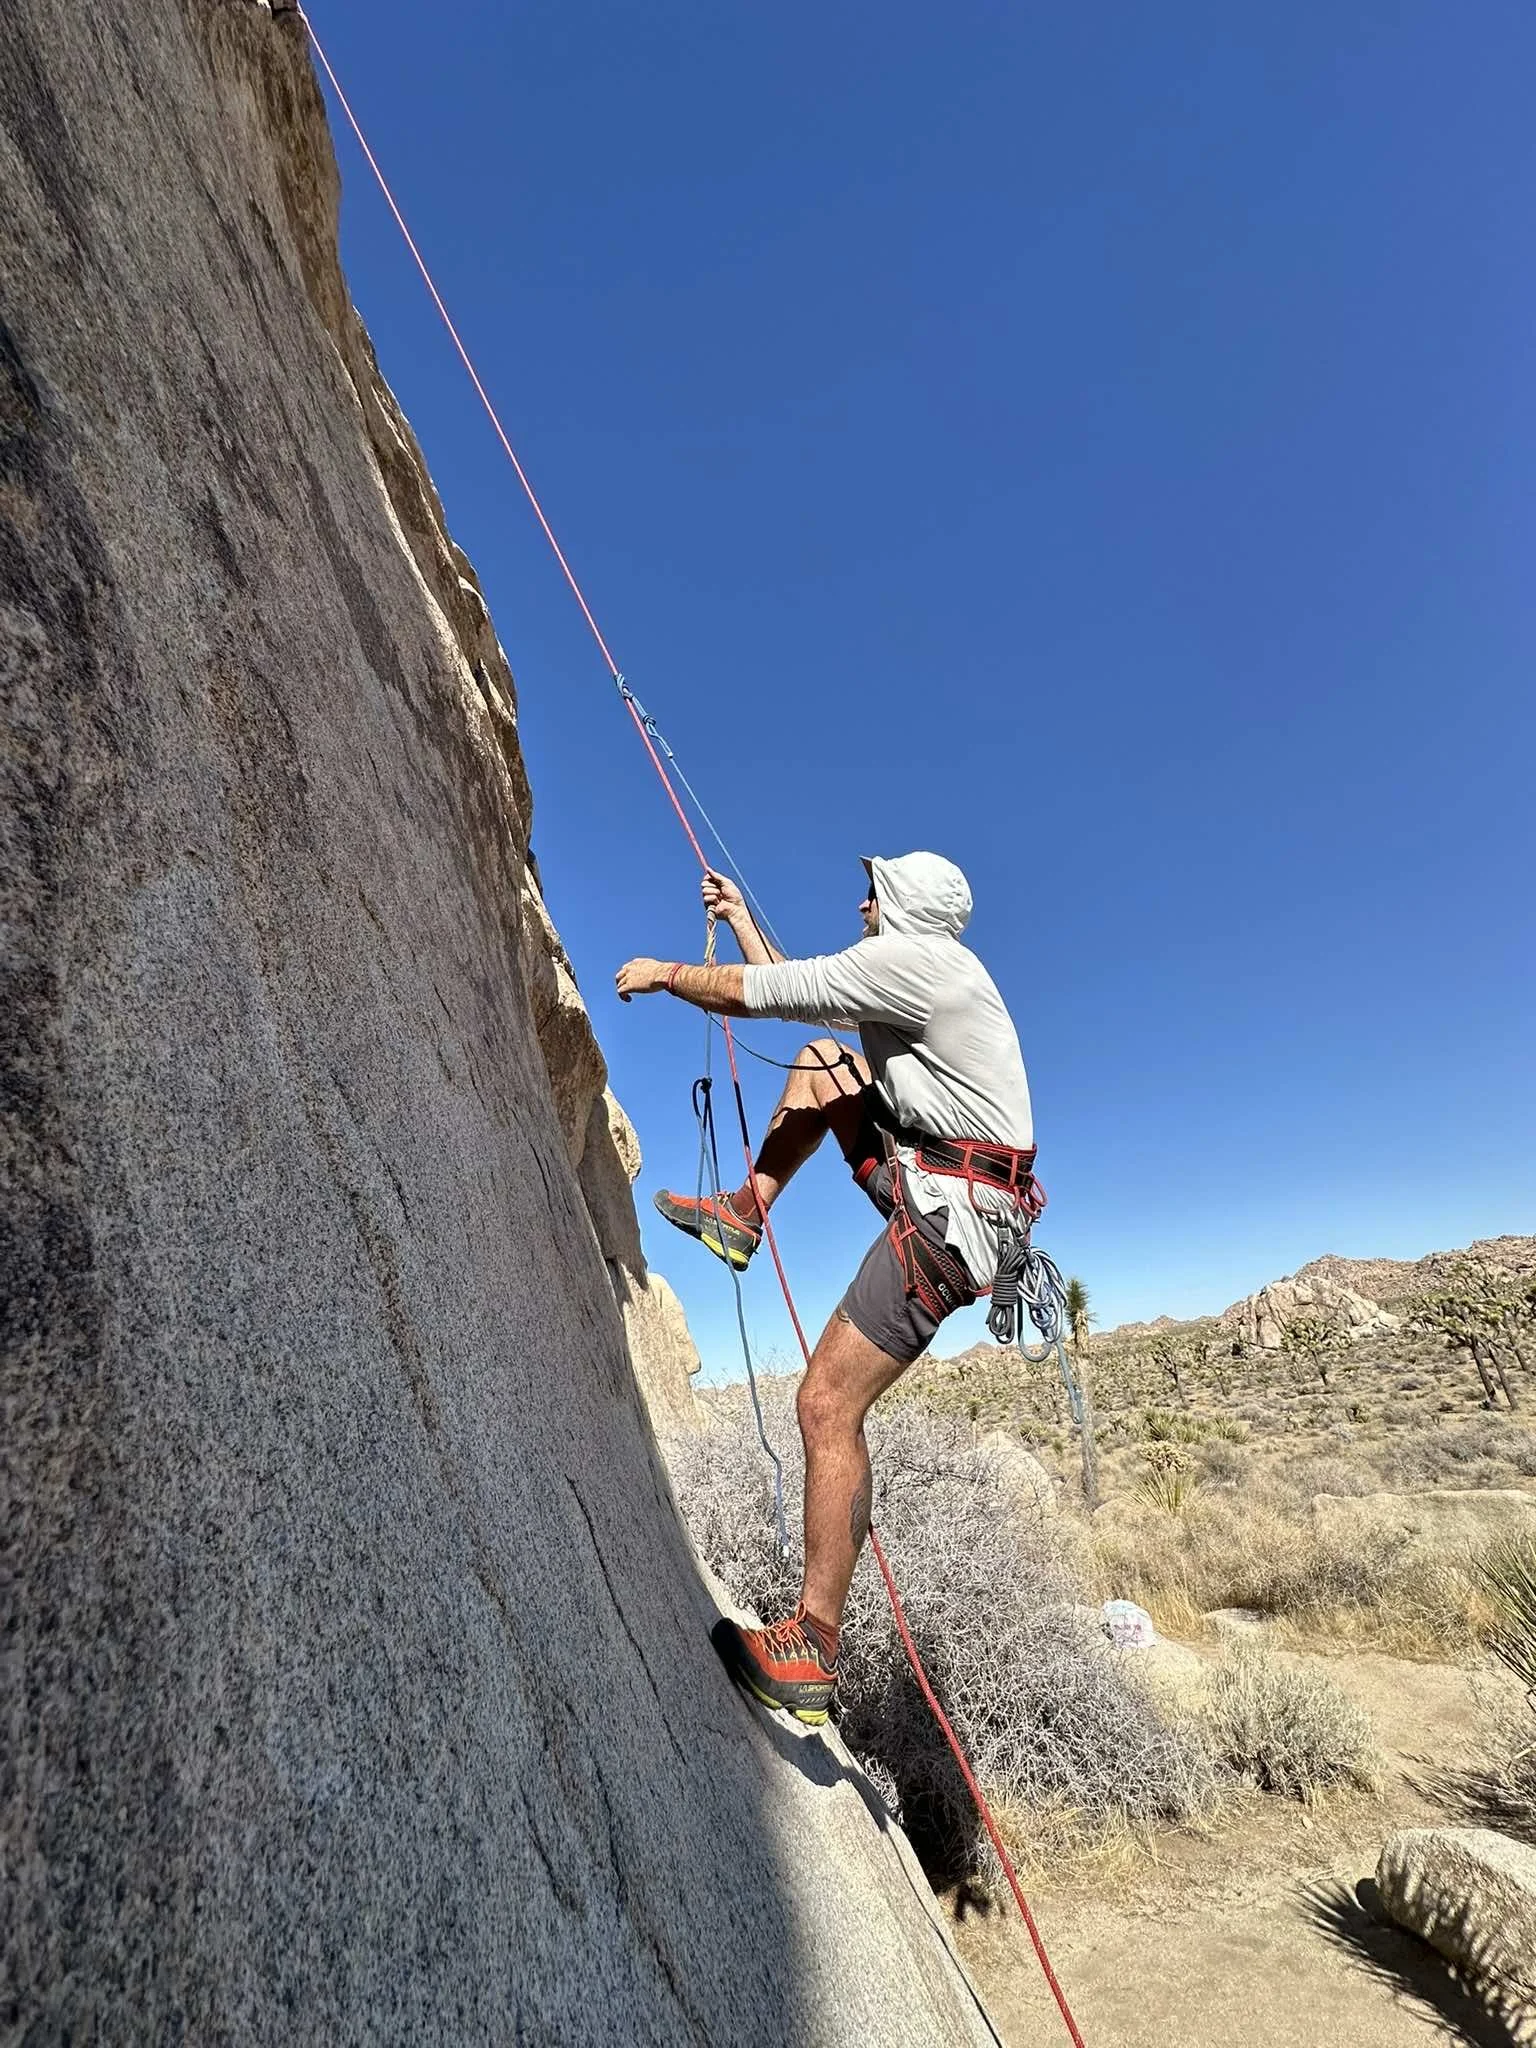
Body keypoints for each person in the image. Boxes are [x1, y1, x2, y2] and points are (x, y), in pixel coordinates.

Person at [615, 852, 1036, 1725]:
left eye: (873, 892)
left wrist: (665, 974)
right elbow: (796, 990)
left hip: (950, 1218)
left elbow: (758, 994)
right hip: (944, 1182)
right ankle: (744, 1212)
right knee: (821, 1059)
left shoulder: (916, 963)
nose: (861, 900)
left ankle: (814, 1643)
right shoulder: (919, 969)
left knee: (825, 1407)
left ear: (904, 907)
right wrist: (735, 916)